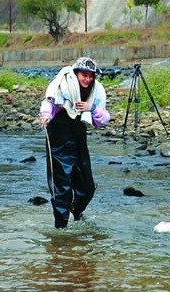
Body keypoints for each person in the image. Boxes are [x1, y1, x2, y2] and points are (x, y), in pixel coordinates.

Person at [39, 57, 110, 228]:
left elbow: (103, 121)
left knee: (88, 187)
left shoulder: (96, 91)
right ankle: (61, 229)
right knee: (61, 188)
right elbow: (49, 103)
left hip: (78, 139)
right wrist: (46, 115)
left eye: (91, 76)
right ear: (76, 73)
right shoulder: (63, 84)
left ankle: (76, 211)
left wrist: (90, 108)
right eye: (84, 75)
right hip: (58, 138)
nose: (88, 79)